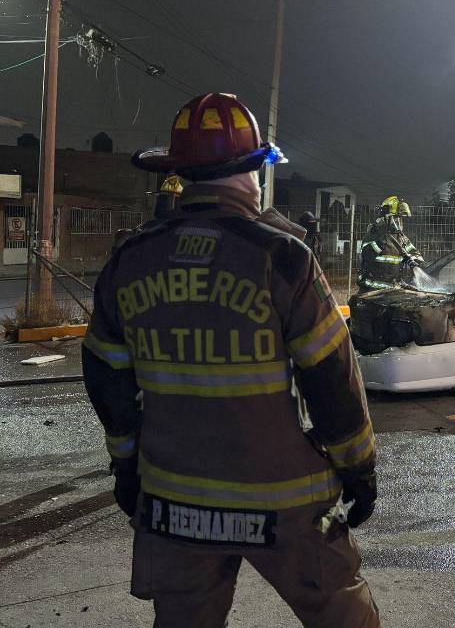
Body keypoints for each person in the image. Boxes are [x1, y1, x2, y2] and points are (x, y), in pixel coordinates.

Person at [82, 92, 379, 628]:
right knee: (345, 618)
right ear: (255, 169)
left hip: (176, 501)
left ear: (181, 175)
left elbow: (107, 381)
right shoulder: (283, 257)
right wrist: (359, 468)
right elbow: (331, 378)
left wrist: (127, 465)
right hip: (285, 503)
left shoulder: (129, 260)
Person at [357, 195, 423, 292]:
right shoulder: (373, 235)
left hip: (394, 289)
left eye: (400, 219)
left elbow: (415, 253)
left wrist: (413, 260)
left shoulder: (401, 238)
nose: (398, 221)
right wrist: (382, 240)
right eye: (396, 218)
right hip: (371, 290)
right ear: (386, 218)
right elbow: (367, 256)